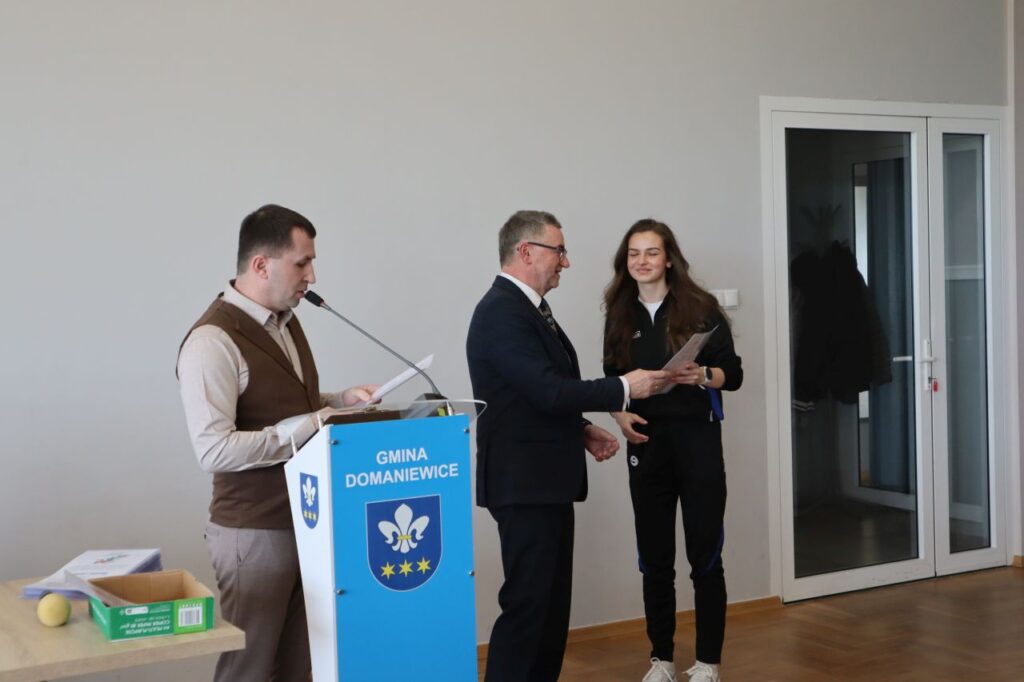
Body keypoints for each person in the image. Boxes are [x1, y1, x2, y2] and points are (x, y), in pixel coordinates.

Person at [466, 210, 678, 682]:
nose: (566, 262)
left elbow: (533, 392)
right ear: (526, 252)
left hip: (545, 480)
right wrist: (623, 387)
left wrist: (580, 429)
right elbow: (546, 390)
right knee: (528, 610)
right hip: (524, 483)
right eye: (559, 251)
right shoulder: (502, 311)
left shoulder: (529, 308)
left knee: (549, 611)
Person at [176, 204, 377, 682]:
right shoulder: (212, 340)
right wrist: (313, 422)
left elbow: (288, 406)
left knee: (298, 666)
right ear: (261, 264)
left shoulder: (286, 321)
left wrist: (339, 401)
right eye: (302, 263)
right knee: (249, 668)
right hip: (253, 532)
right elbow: (213, 449)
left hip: (308, 520)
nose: (312, 276)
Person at [603, 219, 743, 682]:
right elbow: (612, 379)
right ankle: (661, 659)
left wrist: (701, 375)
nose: (641, 261)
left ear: (668, 259)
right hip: (646, 444)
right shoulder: (619, 313)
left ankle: (707, 663)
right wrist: (619, 416)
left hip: (697, 444)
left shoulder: (701, 309)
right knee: (655, 561)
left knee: (706, 558)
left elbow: (733, 375)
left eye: (651, 252)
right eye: (634, 253)